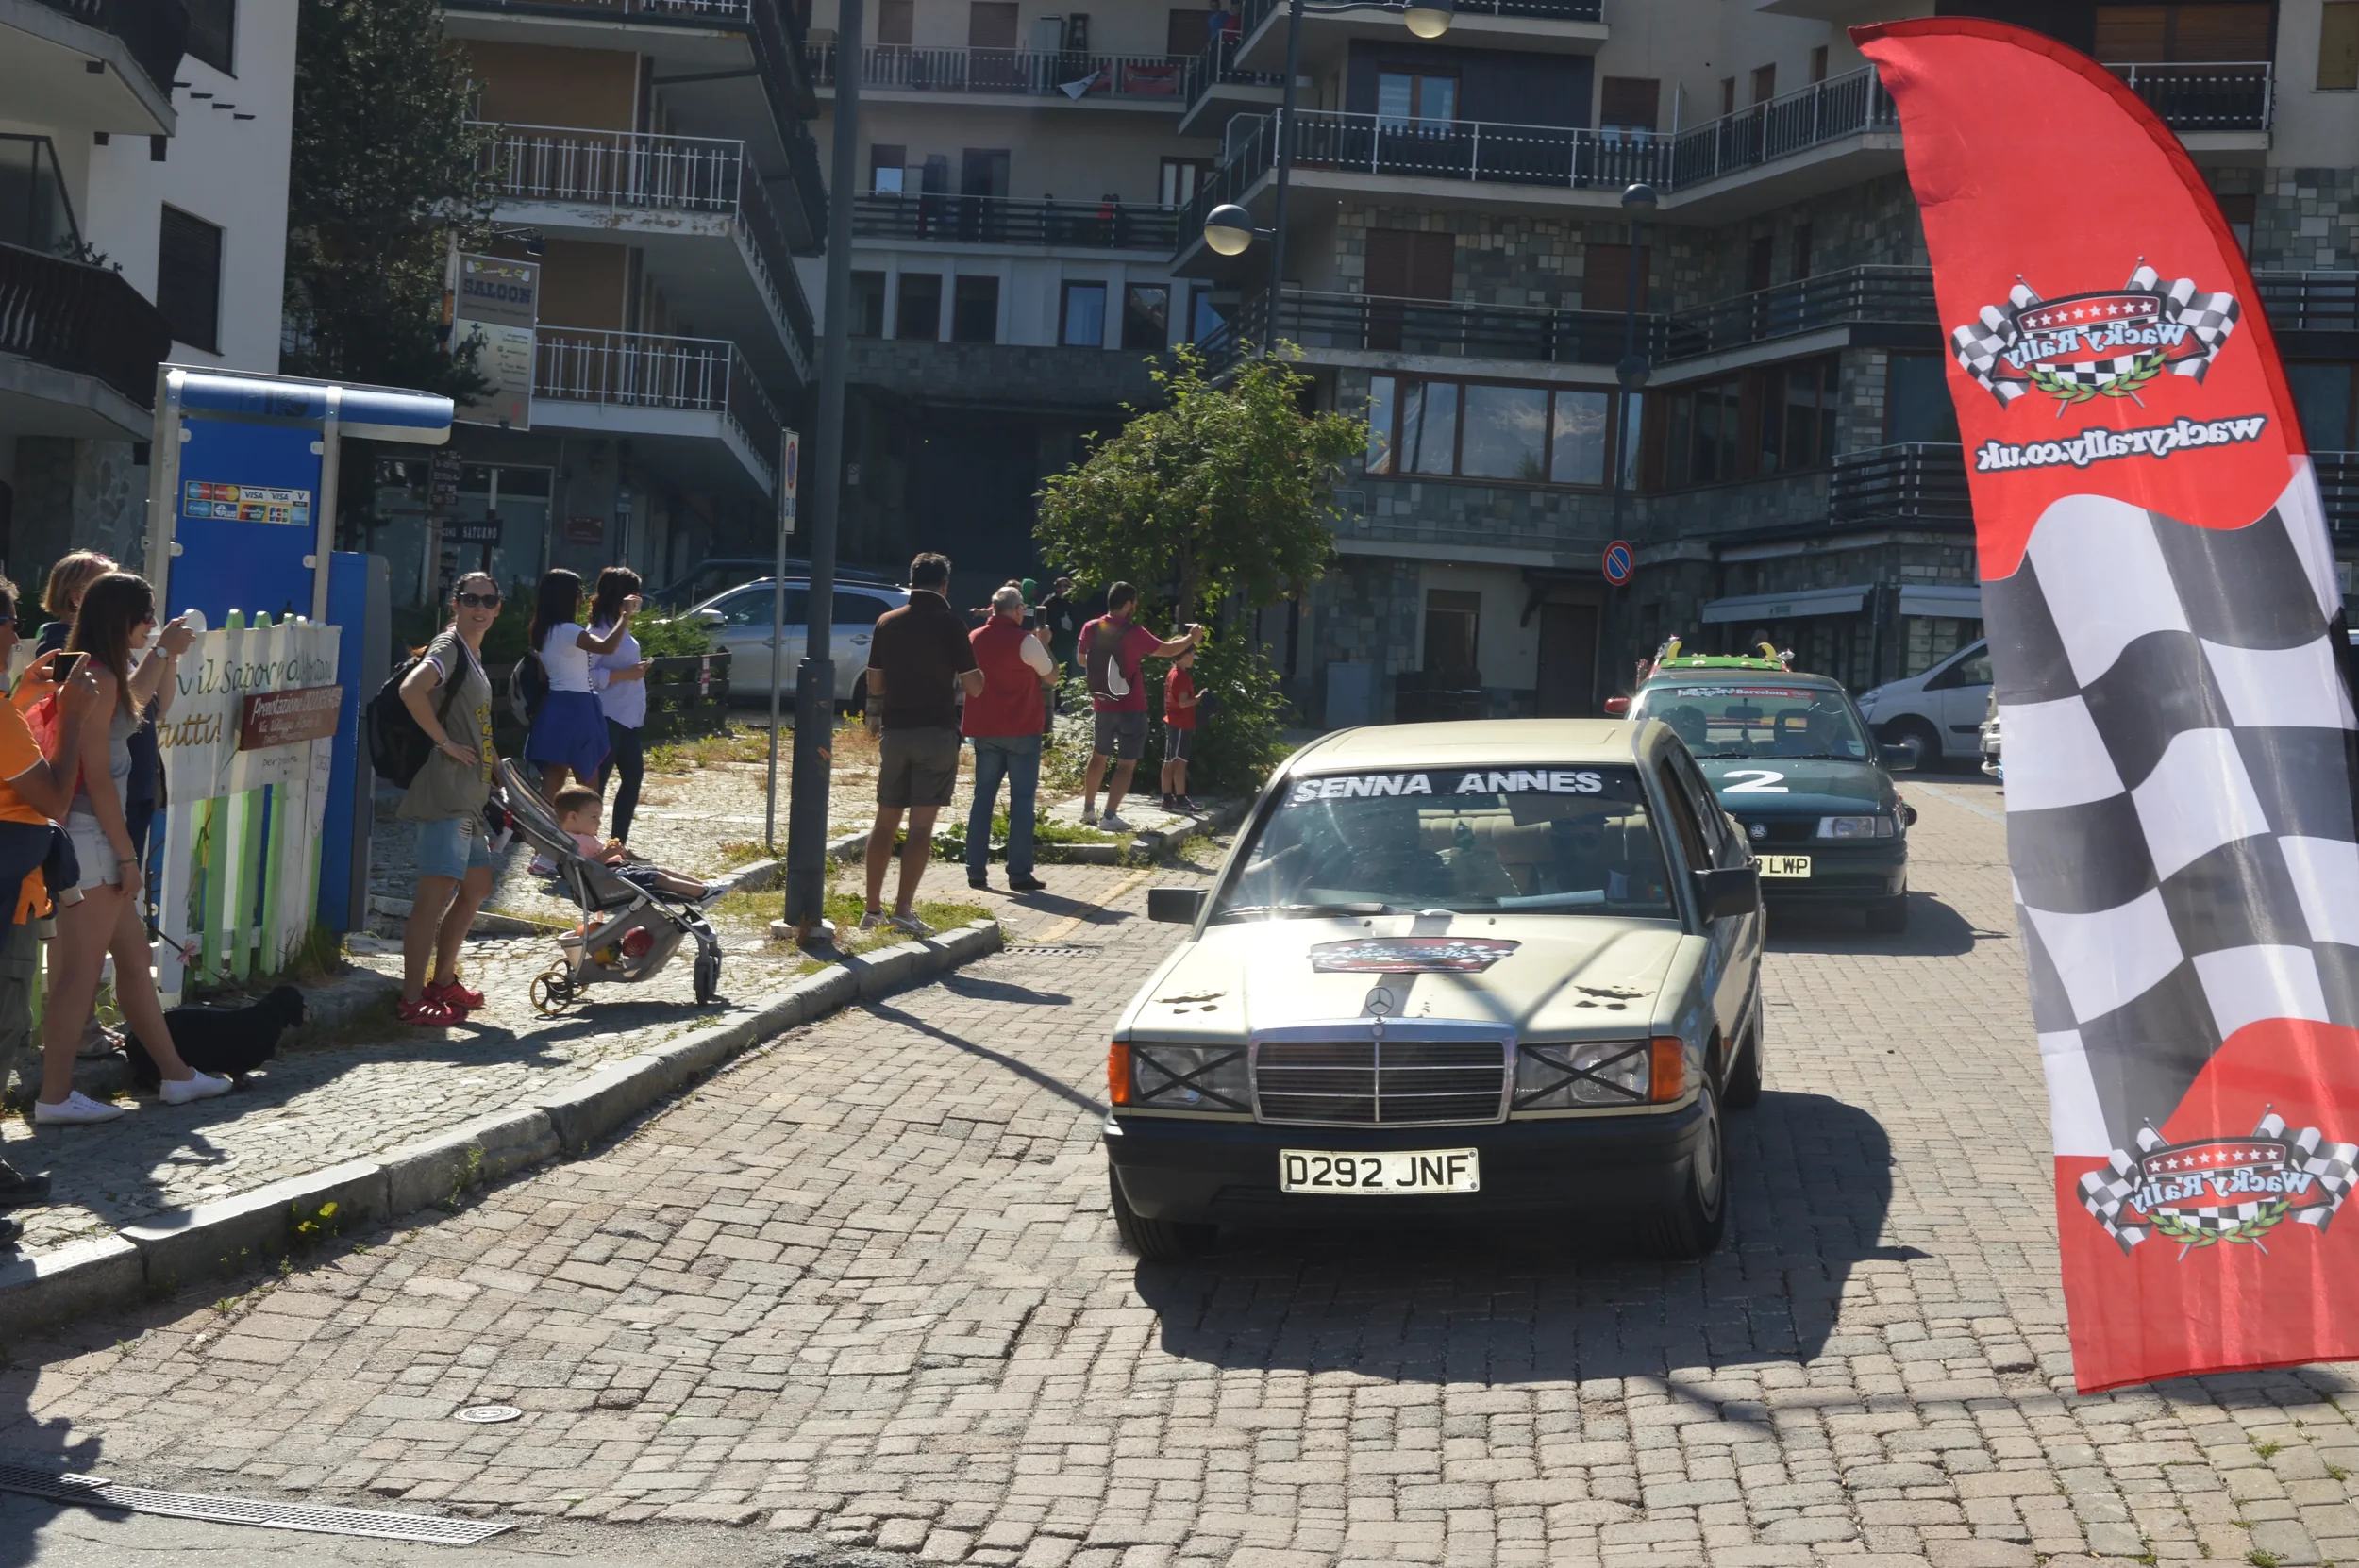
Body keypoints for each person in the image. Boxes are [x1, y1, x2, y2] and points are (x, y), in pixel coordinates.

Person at [37, 573, 230, 1123]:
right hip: (92, 836)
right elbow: (95, 778)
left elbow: (136, 704)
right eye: (146, 616)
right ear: (123, 619)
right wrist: (126, 856)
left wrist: (164, 651)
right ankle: (54, 1096)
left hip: (96, 833)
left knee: (134, 958)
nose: (151, 624)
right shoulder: (95, 677)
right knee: (78, 974)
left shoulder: (99, 673)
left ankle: (176, 1075)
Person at [0, 575, 108, 1143]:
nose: (18, 636)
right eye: (11, 626)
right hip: (9, 892)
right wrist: (69, 718)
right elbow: (55, 799)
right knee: (5, 1024)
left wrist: (22, 696)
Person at [394, 571, 504, 1027]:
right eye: (470, 598)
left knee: (476, 887)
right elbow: (410, 690)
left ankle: (443, 981)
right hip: (447, 793)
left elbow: (477, 726)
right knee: (434, 894)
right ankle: (411, 998)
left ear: (498, 608)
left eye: (489, 599)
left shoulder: (472, 653)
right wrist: (442, 741)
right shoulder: (448, 648)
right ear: (455, 604)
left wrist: (503, 775)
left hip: (471, 796)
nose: (479, 606)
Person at [862, 552, 982, 935]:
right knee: (920, 829)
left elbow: (875, 684)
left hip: (896, 732)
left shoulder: (887, 622)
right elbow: (975, 686)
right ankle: (903, 910)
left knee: (885, 822)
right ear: (945, 585)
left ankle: (871, 909)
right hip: (936, 732)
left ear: (911, 579)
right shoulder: (951, 623)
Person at [1079, 583, 1202, 831]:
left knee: (1098, 755)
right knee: (1126, 763)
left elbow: (1082, 659)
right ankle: (1110, 816)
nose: (1135, 607)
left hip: (1102, 704)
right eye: (1133, 604)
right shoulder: (1134, 632)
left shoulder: (1091, 627)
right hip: (1131, 707)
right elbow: (1167, 650)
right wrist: (1191, 638)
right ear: (1127, 605)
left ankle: (1088, 810)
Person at [962, 584, 1056, 894]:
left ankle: (975, 870)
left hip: (985, 728)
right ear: (1018, 611)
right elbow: (1051, 676)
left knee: (982, 799)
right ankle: (1018, 874)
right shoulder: (1026, 641)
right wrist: (1046, 644)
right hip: (1022, 730)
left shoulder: (973, 638)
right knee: (1022, 802)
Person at [525, 567, 635, 803]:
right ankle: (586, 834)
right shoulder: (568, 630)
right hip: (578, 706)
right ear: (565, 596)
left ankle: (543, 830)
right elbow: (606, 647)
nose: (582, 599)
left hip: (555, 705)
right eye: (578, 593)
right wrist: (625, 617)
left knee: (554, 776)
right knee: (588, 779)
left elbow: (544, 676)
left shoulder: (541, 630)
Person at [549, 786, 725, 902]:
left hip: (616, 873)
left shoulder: (580, 836)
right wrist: (607, 854)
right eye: (594, 817)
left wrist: (615, 854)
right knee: (659, 878)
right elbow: (584, 868)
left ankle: (705, 886)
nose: (599, 823)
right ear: (573, 816)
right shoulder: (572, 842)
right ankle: (702, 894)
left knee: (661, 870)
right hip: (608, 883)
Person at [587, 567, 653, 853]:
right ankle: (588, 843)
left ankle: (618, 843)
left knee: (633, 776)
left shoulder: (620, 626)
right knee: (597, 783)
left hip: (628, 718)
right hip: (606, 715)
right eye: (633, 593)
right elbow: (587, 675)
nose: (638, 599)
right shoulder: (598, 631)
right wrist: (625, 674)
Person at [34, 552, 113, 658]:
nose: (117, 597)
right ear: (78, 598)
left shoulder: (101, 636)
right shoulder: (59, 642)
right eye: (108, 590)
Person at [1160, 642, 1199, 815]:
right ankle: (1181, 798)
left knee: (1169, 760)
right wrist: (1199, 698)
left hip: (1172, 721)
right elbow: (1183, 702)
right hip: (1181, 723)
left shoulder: (1172, 673)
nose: (1194, 657)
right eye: (1192, 653)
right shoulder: (1182, 677)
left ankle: (1167, 797)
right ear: (1183, 654)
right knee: (1179, 762)